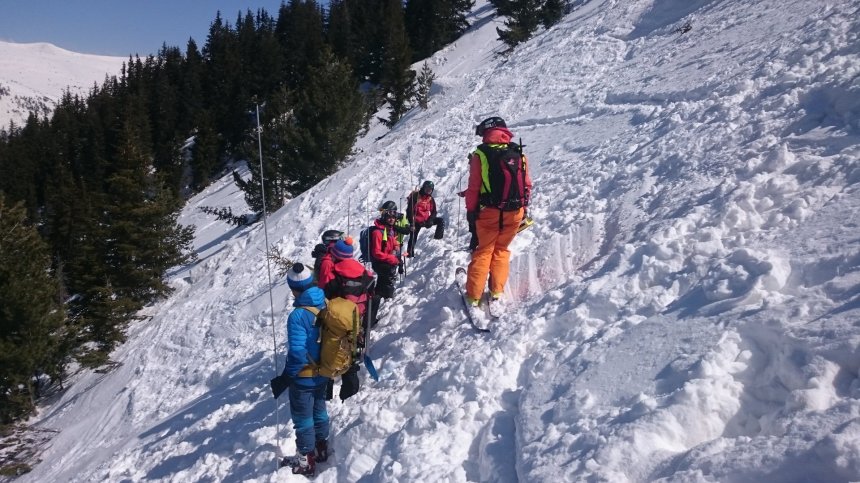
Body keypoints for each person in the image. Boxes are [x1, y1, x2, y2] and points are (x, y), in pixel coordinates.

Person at [463, 116, 533, 312]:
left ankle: (473, 297)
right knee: (501, 250)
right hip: (515, 211)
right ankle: (496, 291)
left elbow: (474, 187)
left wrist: (470, 211)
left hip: (489, 213)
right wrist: (523, 208)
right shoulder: (518, 153)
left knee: (484, 251)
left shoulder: (481, 155)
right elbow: (527, 185)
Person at [282, 263, 331, 476]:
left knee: (303, 418)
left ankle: (305, 461)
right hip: (324, 371)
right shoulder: (325, 302)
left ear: (294, 288)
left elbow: (297, 352)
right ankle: (321, 449)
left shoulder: (298, 316)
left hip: (304, 376)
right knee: (319, 411)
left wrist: (288, 375)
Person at [323, 237, 375, 401]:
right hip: (357, 321)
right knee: (351, 359)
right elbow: (371, 293)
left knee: (329, 359)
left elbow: (324, 293)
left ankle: (326, 398)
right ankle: (349, 396)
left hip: (337, 322)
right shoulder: (364, 272)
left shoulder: (335, 274)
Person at [367, 200, 403, 326]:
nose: (392, 218)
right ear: (384, 215)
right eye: (389, 215)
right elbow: (376, 252)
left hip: (385, 261)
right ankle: (369, 319)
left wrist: (396, 245)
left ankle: (373, 312)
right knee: (379, 291)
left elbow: (392, 241)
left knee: (383, 286)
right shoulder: (378, 232)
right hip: (380, 263)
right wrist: (392, 258)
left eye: (394, 215)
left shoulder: (389, 229)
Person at [405, 180, 444, 258]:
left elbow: (434, 212)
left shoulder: (430, 199)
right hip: (416, 221)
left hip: (426, 220)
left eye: (430, 190)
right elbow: (409, 210)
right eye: (427, 189)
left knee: (441, 221)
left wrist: (430, 220)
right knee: (413, 237)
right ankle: (410, 254)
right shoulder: (416, 196)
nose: (428, 191)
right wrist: (411, 223)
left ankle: (437, 239)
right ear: (423, 188)